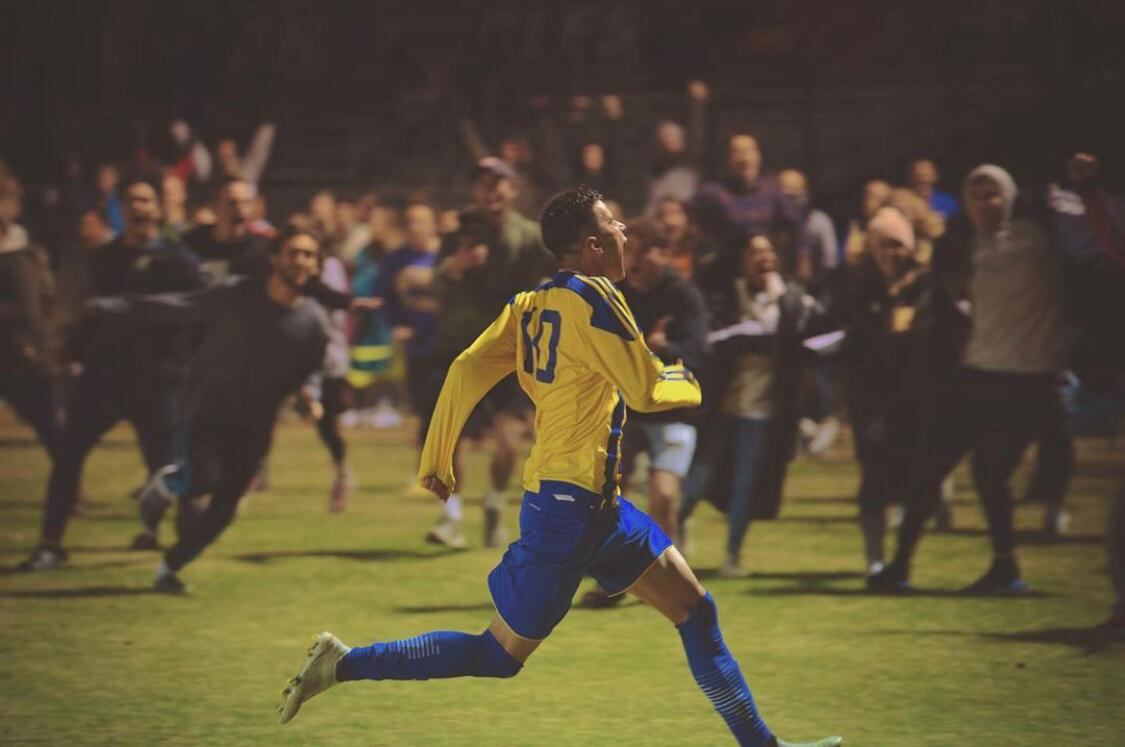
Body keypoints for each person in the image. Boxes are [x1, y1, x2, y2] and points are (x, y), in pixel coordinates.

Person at [277, 187, 841, 747]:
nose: (625, 233)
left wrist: (437, 454)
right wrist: (688, 382)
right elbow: (645, 391)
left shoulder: (531, 303)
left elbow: (467, 366)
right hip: (567, 514)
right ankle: (343, 663)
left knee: (697, 612)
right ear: (593, 245)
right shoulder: (596, 297)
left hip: (594, 506)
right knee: (496, 656)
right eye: (616, 224)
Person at [869, 165, 1070, 594]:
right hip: (971, 374)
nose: (985, 203)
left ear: (1011, 197)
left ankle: (1006, 568)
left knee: (989, 473)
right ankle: (900, 565)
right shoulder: (962, 247)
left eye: (994, 193)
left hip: (1021, 379)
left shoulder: (1040, 242)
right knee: (928, 468)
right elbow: (947, 306)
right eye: (976, 195)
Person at [103, 228, 328, 591]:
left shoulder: (314, 321)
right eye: (293, 253)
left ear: (317, 266)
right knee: (201, 480)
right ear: (275, 258)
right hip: (207, 409)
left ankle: (169, 568)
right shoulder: (238, 293)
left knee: (224, 511)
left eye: (309, 255)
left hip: (255, 425)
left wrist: (310, 396)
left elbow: (311, 368)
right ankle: (168, 484)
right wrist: (113, 307)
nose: (300, 261)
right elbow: (183, 305)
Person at [20, 176, 207, 570]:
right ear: (121, 207)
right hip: (103, 378)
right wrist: (71, 350)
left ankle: (186, 535)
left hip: (157, 378)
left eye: (146, 199)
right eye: (131, 200)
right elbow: (91, 314)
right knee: (68, 456)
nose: (138, 207)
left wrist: (144, 316)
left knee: (167, 465)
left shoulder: (178, 259)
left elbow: (200, 307)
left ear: (158, 208)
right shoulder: (104, 258)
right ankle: (50, 544)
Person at [423, 157, 556, 549]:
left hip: (513, 351)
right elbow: (435, 287)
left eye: (499, 182)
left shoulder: (532, 236)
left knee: (507, 440)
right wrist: (456, 266)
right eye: (483, 184)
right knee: (452, 439)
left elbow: (560, 276)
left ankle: (496, 503)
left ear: (513, 190)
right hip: (460, 347)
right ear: (474, 193)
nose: (491, 190)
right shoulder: (457, 235)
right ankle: (452, 519)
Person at [679, 235, 825, 578]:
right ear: (743, 260)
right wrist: (743, 339)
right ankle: (667, 535)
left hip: (762, 410)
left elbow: (811, 342)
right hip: (722, 405)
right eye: (755, 252)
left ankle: (732, 554)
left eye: (768, 251)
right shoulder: (727, 297)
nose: (763, 258)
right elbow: (710, 340)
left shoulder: (792, 301)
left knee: (746, 484)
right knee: (698, 479)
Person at [580, 221, 709, 607]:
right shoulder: (616, 293)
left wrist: (663, 345)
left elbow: (700, 352)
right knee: (607, 496)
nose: (631, 263)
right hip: (627, 411)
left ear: (661, 254)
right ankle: (618, 580)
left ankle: (660, 575)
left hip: (672, 412)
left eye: (638, 254)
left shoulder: (684, 297)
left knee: (664, 496)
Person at [831, 208, 960, 576]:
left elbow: (951, 334)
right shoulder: (861, 287)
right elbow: (847, 335)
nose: (891, 253)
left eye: (898, 244)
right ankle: (874, 557)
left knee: (913, 478)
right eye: (883, 245)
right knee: (873, 476)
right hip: (871, 399)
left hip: (918, 396)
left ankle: (901, 557)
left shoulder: (929, 286)